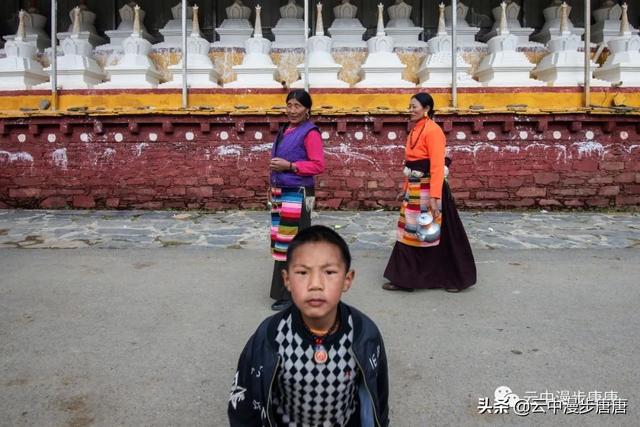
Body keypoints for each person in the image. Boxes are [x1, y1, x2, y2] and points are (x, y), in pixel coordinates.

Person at [228, 225, 389, 426]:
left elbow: (379, 396)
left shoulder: (363, 333)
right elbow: (244, 404)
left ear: (347, 280)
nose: (315, 284)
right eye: (303, 272)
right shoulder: (270, 336)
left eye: (329, 272)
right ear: (287, 280)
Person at [383, 92, 476, 293]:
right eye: (409, 107)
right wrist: (405, 188)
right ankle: (406, 279)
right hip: (415, 188)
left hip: (431, 189)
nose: (410, 110)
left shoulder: (433, 131)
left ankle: (454, 279)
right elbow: (411, 164)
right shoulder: (415, 130)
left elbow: (436, 166)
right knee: (410, 231)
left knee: (434, 233)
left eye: (414, 107)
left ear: (426, 109)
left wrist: (435, 198)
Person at [269, 89, 325, 311]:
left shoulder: (310, 133)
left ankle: (294, 295)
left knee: (294, 243)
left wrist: (291, 166)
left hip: (298, 193)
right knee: (283, 241)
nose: (292, 110)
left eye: (297, 106)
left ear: (307, 110)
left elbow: (318, 165)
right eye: (289, 105)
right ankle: (285, 291)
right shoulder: (284, 130)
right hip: (281, 192)